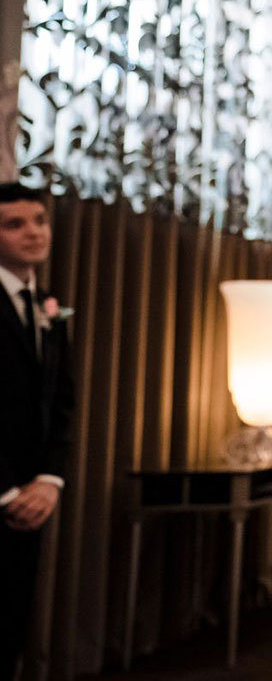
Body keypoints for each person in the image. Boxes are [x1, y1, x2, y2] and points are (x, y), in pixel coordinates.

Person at [0, 183, 74, 681]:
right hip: (4, 493)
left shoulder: (47, 306)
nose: (33, 233)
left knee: (10, 628)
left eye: (40, 220)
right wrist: (5, 492)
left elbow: (62, 402)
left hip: (33, 497)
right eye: (14, 224)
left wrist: (49, 479)